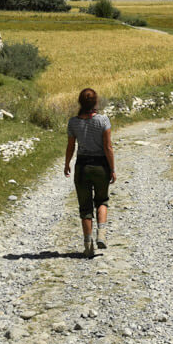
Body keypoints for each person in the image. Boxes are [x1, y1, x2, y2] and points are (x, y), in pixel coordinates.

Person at [63, 87, 115, 258]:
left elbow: (71, 146)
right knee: (102, 200)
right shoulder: (103, 121)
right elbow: (108, 147)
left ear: (80, 102)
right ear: (96, 102)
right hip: (101, 166)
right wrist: (112, 169)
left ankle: (88, 245)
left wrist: (67, 163)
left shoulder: (73, 122)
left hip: (82, 167)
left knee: (85, 208)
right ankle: (101, 234)